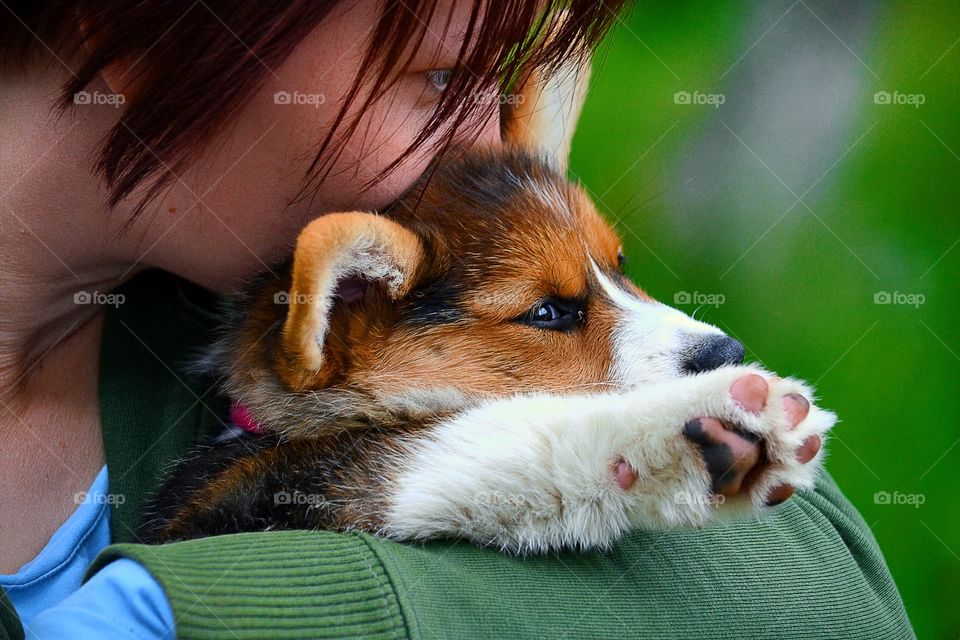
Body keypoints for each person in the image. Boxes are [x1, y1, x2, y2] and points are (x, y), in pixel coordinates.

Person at [0, 2, 913, 638]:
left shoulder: (275, 273)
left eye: (497, 75)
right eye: (438, 77)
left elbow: (830, 595)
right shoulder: (322, 296)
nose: (487, 138)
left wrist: (205, 612)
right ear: (145, 21)